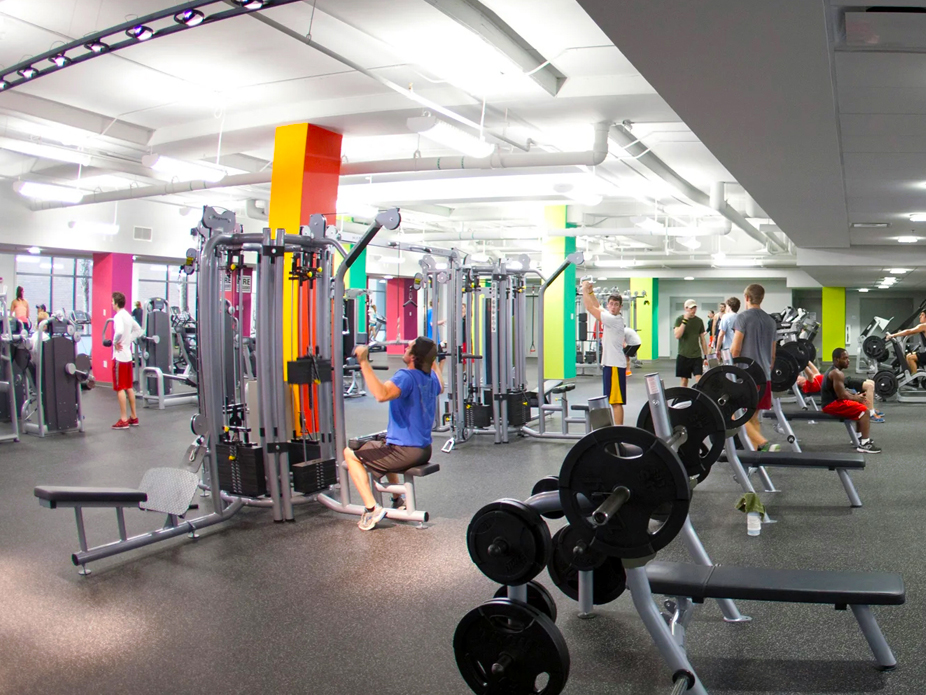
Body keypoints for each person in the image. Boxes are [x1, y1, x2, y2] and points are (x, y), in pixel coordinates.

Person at [343, 337, 443, 531]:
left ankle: (372, 508)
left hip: (405, 451)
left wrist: (363, 361)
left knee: (350, 453)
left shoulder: (406, 376)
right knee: (384, 444)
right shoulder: (430, 378)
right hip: (424, 449)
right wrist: (435, 362)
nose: (405, 348)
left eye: (409, 347)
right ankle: (398, 500)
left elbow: (381, 394)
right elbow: (441, 385)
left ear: (413, 357)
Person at [730, 284, 779, 451]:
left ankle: (760, 442)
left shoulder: (742, 318)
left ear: (747, 298)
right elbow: (773, 355)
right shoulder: (771, 321)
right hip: (764, 375)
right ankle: (756, 455)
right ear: (762, 298)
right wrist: (767, 369)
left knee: (732, 413)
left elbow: (736, 348)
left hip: (746, 376)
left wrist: (727, 367)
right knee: (753, 416)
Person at [582, 281, 627, 425]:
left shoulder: (614, 320)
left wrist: (583, 289)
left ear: (620, 307)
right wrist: (590, 292)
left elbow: (590, 307)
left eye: (616, 305)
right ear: (608, 305)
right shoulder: (609, 316)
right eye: (611, 304)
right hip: (610, 364)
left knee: (616, 402)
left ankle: (619, 433)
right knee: (612, 400)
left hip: (614, 365)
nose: (613, 307)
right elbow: (597, 306)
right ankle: (616, 431)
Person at [821, 348, 881, 453]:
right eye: (845, 358)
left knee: (859, 404)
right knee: (865, 411)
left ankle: (858, 437)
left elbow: (842, 392)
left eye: (848, 358)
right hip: (830, 405)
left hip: (833, 402)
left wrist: (856, 396)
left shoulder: (835, 371)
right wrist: (856, 397)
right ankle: (865, 444)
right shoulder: (836, 373)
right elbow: (842, 395)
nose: (848, 360)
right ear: (836, 360)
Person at [797, 361, 883, 421]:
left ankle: (871, 408)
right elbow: (810, 374)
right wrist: (803, 363)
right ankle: (871, 413)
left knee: (871, 382)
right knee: (869, 386)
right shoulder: (807, 385)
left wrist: (807, 360)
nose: (799, 376)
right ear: (798, 382)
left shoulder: (812, 380)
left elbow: (815, 371)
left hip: (840, 379)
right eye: (797, 378)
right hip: (838, 383)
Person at [110, 292, 143, 430]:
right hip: (128, 357)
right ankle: (133, 417)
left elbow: (119, 331)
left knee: (120, 388)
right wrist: (128, 340)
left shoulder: (118, 316)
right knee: (128, 387)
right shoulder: (128, 316)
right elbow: (139, 330)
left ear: (116, 303)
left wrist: (115, 342)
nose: (111, 304)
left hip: (119, 357)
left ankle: (123, 419)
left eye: (112, 302)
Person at [673, 299, 708, 387]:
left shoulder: (699, 321)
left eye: (695, 307)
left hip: (696, 355)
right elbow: (677, 335)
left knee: (699, 380)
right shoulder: (679, 319)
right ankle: (683, 398)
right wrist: (685, 320)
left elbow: (702, 339)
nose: (693, 310)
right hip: (683, 355)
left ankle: (699, 399)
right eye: (691, 308)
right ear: (686, 308)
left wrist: (706, 356)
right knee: (684, 380)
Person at [886, 310, 926, 375]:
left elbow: (908, 331)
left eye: (922, 315)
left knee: (910, 357)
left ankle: (914, 377)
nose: (920, 316)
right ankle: (912, 375)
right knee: (909, 355)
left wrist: (893, 335)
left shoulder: (924, 326)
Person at [715, 296, 740, 360]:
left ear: (729, 307)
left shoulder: (725, 317)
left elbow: (721, 334)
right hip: (738, 349)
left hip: (727, 349)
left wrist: (717, 349)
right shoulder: (740, 317)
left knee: (728, 368)